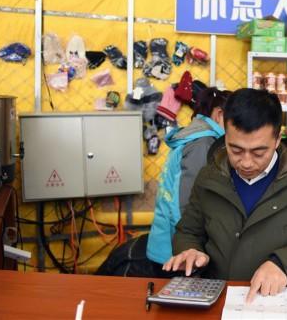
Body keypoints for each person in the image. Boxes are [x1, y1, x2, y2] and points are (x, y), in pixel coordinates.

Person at [163, 88, 287, 302]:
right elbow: (188, 231)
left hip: (278, 303)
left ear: (278, 139)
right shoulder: (210, 177)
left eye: (259, 152)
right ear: (225, 134)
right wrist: (190, 251)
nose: (247, 162)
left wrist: (283, 264)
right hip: (219, 299)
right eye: (236, 150)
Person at [96, 87, 230, 277]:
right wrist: (191, 246)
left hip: (166, 244)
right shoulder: (203, 143)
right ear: (219, 114)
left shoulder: (191, 137)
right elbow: (188, 203)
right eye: (235, 121)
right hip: (177, 254)